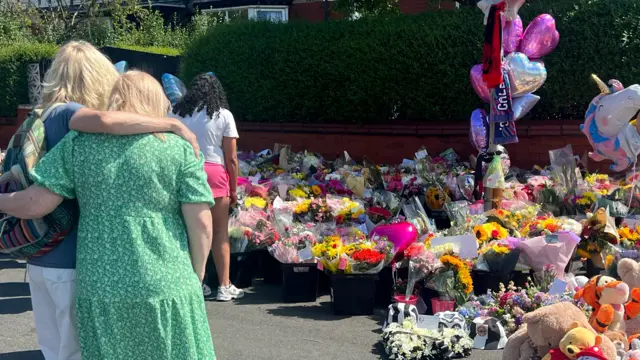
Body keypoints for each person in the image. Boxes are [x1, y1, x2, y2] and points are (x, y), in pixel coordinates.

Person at [3, 41, 200, 360]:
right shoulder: (72, 114)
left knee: (54, 352)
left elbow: (34, 199)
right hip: (71, 259)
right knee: (81, 352)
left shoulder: (40, 116)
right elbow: (107, 123)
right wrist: (170, 123)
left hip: (40, 257)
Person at [172, 73, 243, 301]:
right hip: (215, 172)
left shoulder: (177, 113)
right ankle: (224, 285)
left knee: (190, 232)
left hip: (186, 171)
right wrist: (234, 190)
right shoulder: (224, 115)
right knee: (220, 233)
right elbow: (231, 158)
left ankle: (197, 282)